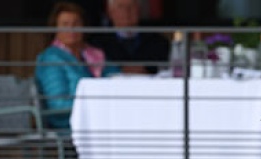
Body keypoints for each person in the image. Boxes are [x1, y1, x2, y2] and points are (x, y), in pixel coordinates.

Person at [35, 2, 117, 131]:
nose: (71, 28)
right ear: (55, 29)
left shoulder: (93, 54)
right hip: (69, 124)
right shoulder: (51, 58)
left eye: (76, 23)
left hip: (100, 118)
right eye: (65, 24)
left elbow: (115, 77)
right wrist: (96, 105)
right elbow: (57, 105)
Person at [90, 0, 170, 75]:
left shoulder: (157, 41)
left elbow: (167, 70)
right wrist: (120, 71)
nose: (127, 11)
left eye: (131, 6)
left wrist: (147, 72)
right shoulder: (97, 44)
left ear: (139, 10)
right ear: (110, 12)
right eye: (121, 7)